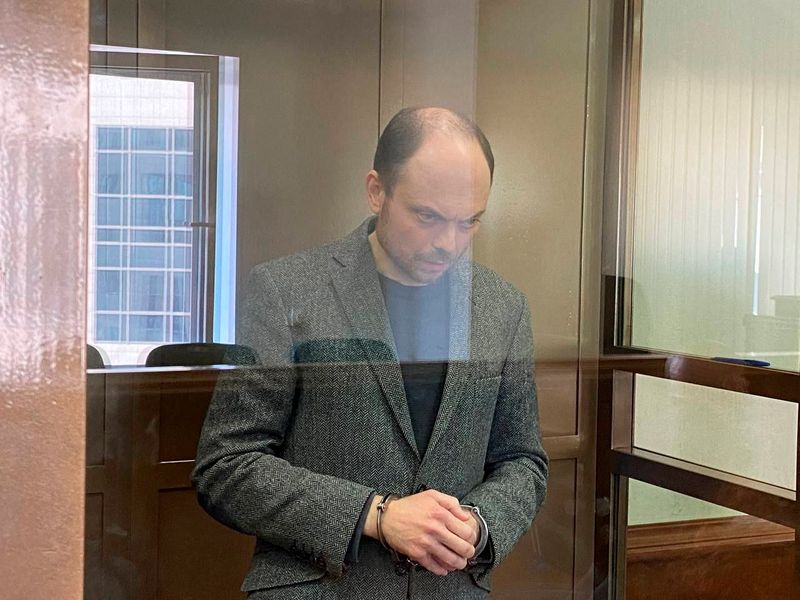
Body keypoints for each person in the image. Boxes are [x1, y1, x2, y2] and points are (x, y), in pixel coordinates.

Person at [192, 107, 548, 599]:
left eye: (468, 222)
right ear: (377, 190)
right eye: (427, 216)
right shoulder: (285, 290)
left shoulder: (502, 306)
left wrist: (478, 525)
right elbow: (226, 465)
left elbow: (522, 459)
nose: (448, 243)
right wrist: (374, 514)